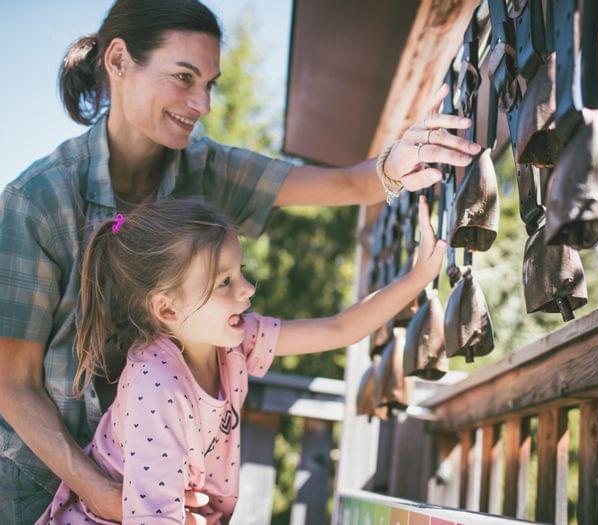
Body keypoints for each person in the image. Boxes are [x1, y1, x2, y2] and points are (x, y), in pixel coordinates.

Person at [0, 0, 479, 522]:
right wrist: (101, 494)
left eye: (210, 83)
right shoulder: (37, 201)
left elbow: (345, 184)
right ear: (117, 61)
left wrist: (395, 164)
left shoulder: (206, 166)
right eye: (184, 77)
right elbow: (11, 384)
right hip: (44, 490)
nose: (202, 103)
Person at [33, 196, 445, 524]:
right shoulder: (154, 385)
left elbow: (338, 330)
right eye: (224, 282)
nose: (247, 289)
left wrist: (417, 278)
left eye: (241, 272)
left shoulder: (233, 341)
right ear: (168, 310)